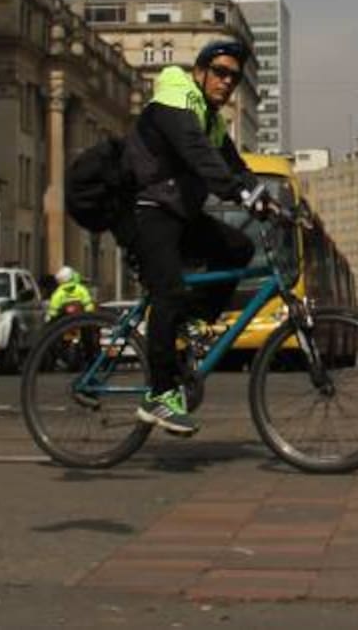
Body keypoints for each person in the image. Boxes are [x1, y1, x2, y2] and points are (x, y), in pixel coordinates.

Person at [123, 38, 270, 436]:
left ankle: (193, 320)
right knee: (167, 290)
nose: (227, 82)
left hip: (179, 215)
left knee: (238, 247)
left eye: (234, 78)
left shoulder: (211, 118)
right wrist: (238, 193)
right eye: (220, 73)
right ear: (200, 72)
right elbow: (198, 154)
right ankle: (158, 394)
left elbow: (235, 166)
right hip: (145, 211)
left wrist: (273, 206)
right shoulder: (176, 94)